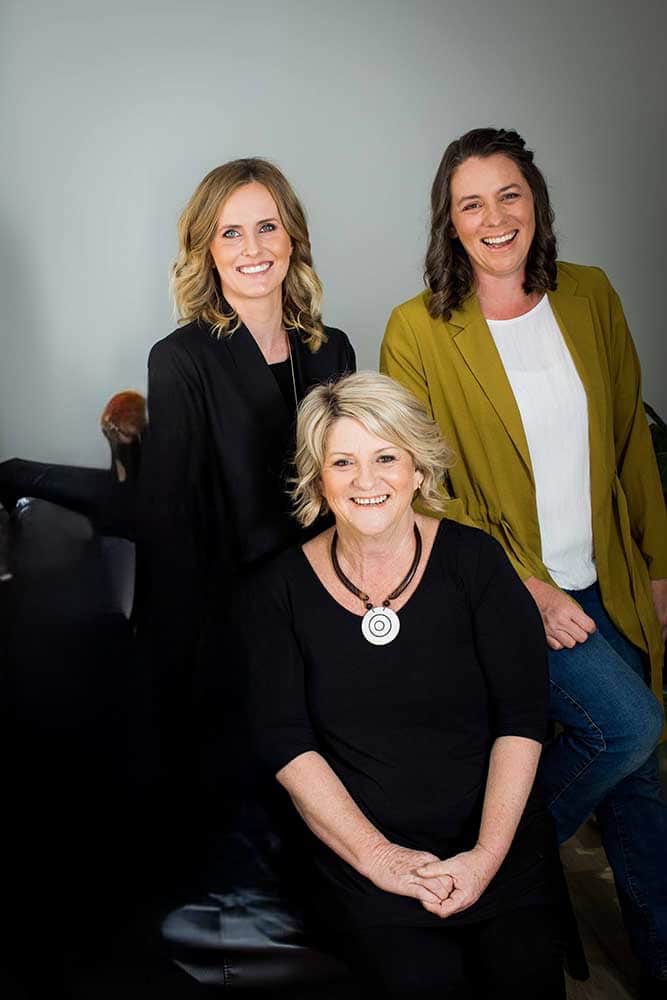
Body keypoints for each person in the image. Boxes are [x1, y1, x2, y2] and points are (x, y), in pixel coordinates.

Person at [380, 127, 667, 994]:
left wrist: (657, 566)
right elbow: (426, 491)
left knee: (642, 787)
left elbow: (630, 442)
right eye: (470, 203)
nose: (493, 217)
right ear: (449, 221)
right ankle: (502, 859)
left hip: (609, 577)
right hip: (507, 592)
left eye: (508, 194)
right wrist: (530, 589)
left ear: (534, 202)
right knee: (629, 730)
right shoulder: (417, 330)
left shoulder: (589, 294)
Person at [237, 372, 566, 998]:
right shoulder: (276, 591)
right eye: (343, 462)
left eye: (386, 457)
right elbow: (285, 742)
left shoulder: (477, 562)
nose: (366, 481)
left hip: (496, 848)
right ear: (318, 480)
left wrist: (486, 856)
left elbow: (522, 718)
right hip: (361, 859)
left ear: (418, 469)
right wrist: (380, 858)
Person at [133, 158, 355, 864]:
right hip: (232, 619)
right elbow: (172, 528)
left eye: (267, 227)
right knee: (250, 830)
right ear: (206, 248)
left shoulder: (332, 349)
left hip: (331, 606)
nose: (252, 249)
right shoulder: (180, 359)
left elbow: (352, 494)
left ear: (293, 238)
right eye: (231, 233)